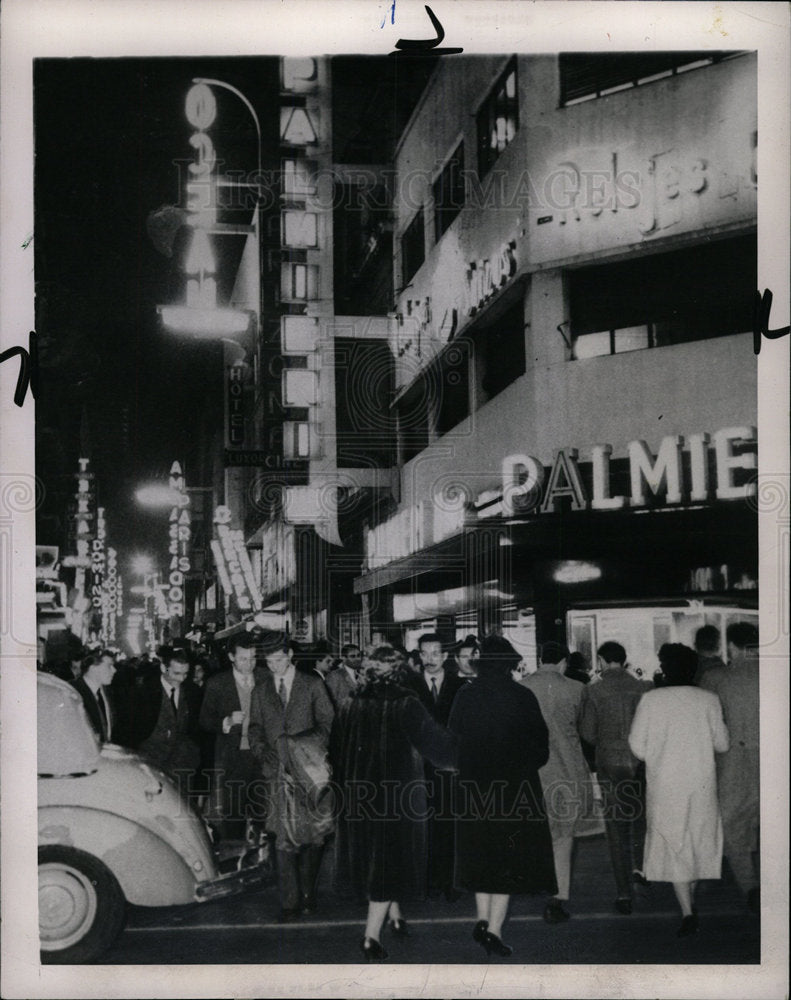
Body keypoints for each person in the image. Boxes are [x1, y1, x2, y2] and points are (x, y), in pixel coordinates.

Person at [332, 644, 457, 961]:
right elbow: (438, 748)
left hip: (359, 794)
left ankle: (396, 915)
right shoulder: (406, 703)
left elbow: (335, 749)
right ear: (400, 672)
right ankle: (370, 937)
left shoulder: (350, 702)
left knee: (375, 858)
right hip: (396, 797)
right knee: (390, 864)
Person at [448, 634, 557, 957]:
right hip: (514, 789)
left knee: (480, 853)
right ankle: (494, 929)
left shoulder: (465, 696)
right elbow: (540, 749)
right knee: (507, 860)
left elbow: (453, 742)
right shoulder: (523, 696)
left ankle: (481, 918)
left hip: (475, 788)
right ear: (509, 664)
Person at [629, 643, 729, 937]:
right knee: (698, 840)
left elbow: (636, 745)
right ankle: (690, 904)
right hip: (701, 782)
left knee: (674, 843)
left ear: (664, 668)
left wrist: (658, 754)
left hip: (665, 783)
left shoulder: (651, 700)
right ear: (693, 669)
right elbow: (722, 743)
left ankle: (687, 911)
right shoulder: (709, 699)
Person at [248, 641, 334, 922]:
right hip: (276, 773)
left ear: (290, 656)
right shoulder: (260, 690)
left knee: (314, 836)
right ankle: (290, 902)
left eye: (278, 660)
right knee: (283, 839)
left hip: (309, 773)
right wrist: (263, 753)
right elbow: (255, 728)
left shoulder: (312, 684)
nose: (273, 666)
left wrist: (300, 748)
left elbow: (328, 724)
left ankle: (308, 892)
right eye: (269, 662)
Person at [521, 641, 601, 924]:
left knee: (536, 831)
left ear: (540, 658)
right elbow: (587, 732)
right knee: (563, 837)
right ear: (564, 662)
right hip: (566, 770)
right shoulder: (578, 689)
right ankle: (558, 897)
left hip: (532, 770)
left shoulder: (523, 686)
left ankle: (534, 882)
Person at [579, 641, 651, 914]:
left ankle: (623, 894)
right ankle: (640, 868)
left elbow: (588, 733)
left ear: (600, 660)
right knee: (640, 818)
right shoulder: (643, 688)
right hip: (639, 759)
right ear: (624, 659)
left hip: (609, 760)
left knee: (616, 827)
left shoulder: (593, 690)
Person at [699, 622, 760, 913]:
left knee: (733, 826)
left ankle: (751, 889)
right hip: (773, 760)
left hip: (732, 762)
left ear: (732, 647)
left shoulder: (715, 679)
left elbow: (705, 728)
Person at [405, 632, 465, 900]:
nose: (430, 659)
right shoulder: (408, 686)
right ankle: (425, 880)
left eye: (435, 653)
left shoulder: (461, 686)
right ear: (419, 655)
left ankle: (449, 881)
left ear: (445, 656)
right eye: (424, 653)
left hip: (452, 769)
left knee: (450, 824)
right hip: (418, 768)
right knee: (421, 823)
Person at [199, 634, 269, 840]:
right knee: (234, 815)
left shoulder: (266, 678)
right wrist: (227, 722)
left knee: (265, 812)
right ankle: (236, 858)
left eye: (253, 658)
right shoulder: (217, 684)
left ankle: (264, 859)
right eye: (243, 659)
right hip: (233, 758)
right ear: (231, 657)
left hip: (263, 755)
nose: (249, 664)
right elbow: (204, 720)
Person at [117, 646, 201, 791]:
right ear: (163, 668)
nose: (181, 679)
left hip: (183, 768)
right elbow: (127, 731)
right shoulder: (143, 692)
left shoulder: (193, 692)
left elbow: (198, 728)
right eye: (176, 673)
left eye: (185, 674)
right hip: (150, 765)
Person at [71, 649, 116, 742]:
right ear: (93, 668)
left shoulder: (106, 691)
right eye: (109, 666)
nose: (114, 670)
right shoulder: (72, 691)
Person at [325, 643, 363, 711]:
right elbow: (328, 704)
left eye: (358, 655)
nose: (357, 659)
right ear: (344, 658)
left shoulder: (363, 676)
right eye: (352, 656)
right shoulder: (334, 676)